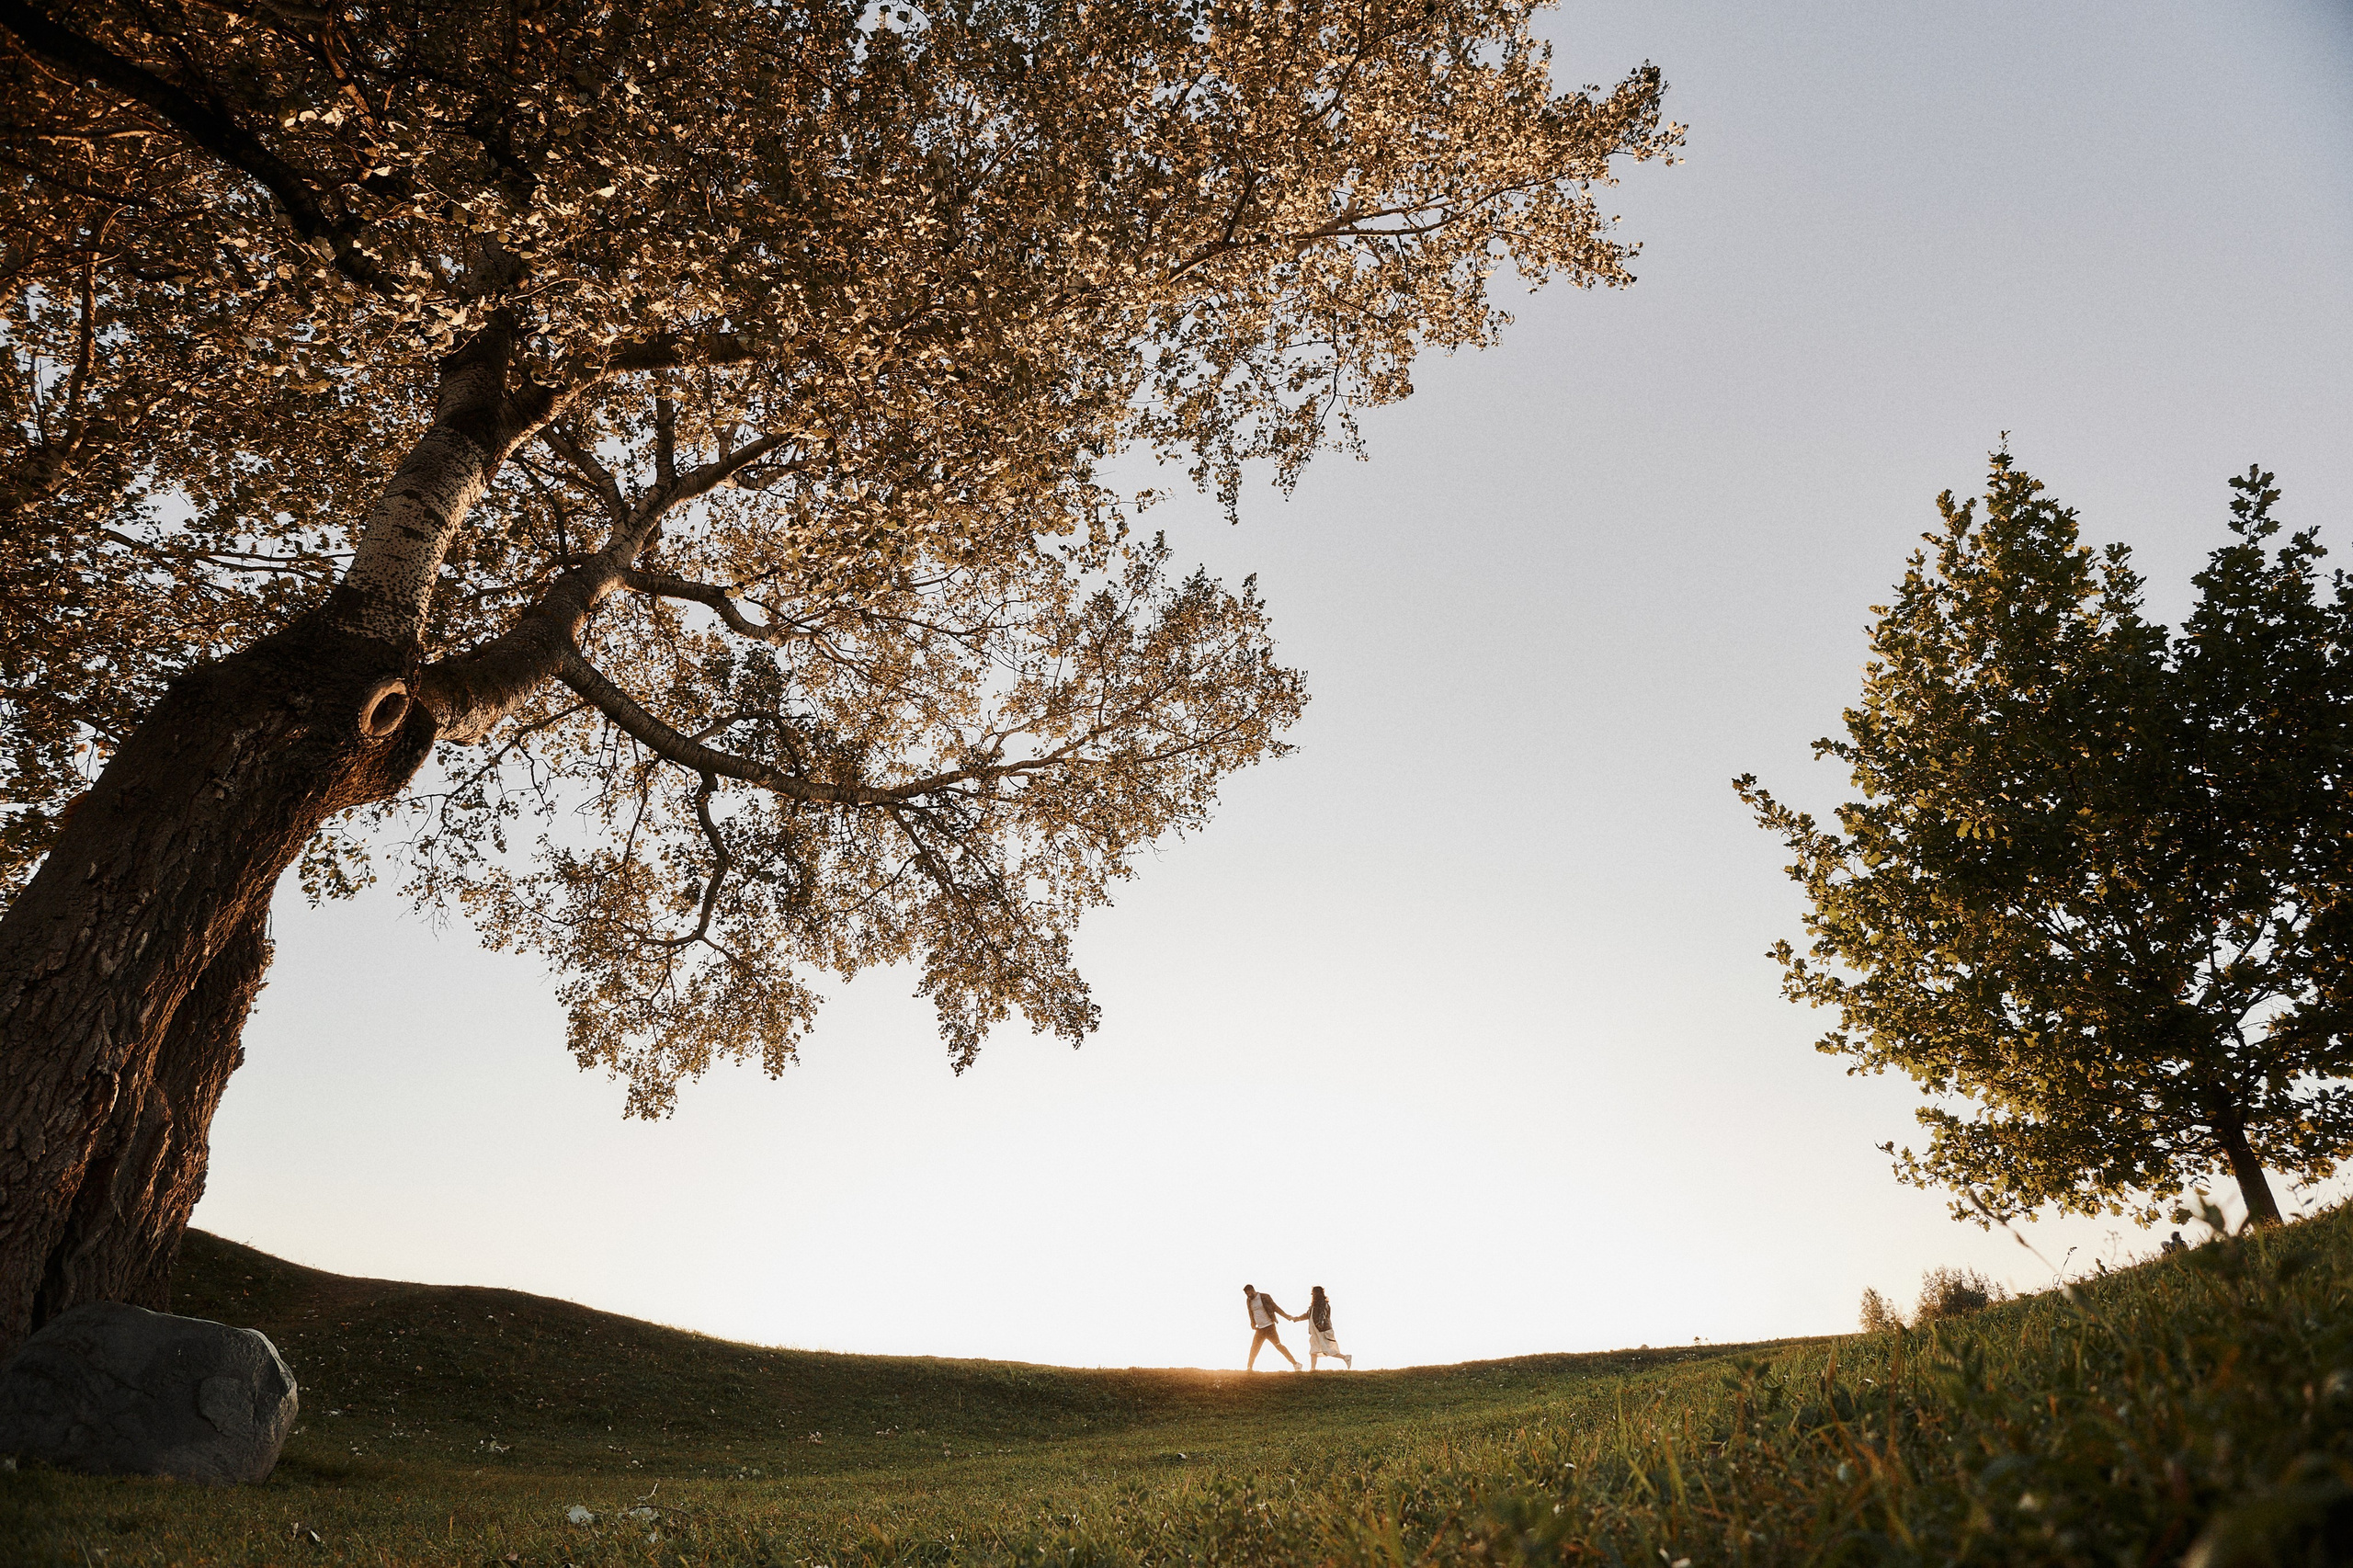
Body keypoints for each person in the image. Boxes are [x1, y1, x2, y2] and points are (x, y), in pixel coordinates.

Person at [1242, 1283, 1301, 1371]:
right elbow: (1250, 1312)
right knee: (1254, 1348)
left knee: (1278, 1346)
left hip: (1269, 1327)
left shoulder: (1265, 1297)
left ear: (1252, 1290)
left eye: (1249, 1293)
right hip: (1260, 1329)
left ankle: (1296, 1364)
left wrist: (1287, 1316)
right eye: (1246, 1294)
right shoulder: (1249, 1300)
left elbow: (1275, 1308)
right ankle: (1249, 1368)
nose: (1248, 1296)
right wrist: (1252, 1323)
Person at [1305, 1285, 1352, 1371]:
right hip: (1315, 1331)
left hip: (1322, 1330)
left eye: (1314, 1294)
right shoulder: (1313, 1306)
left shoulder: (1323, 1303)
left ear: (1318, 1294)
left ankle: (1345, 1357)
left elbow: (1323, 1314)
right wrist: (1296, 1319)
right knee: (1313, 1349)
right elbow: (1308, 1315)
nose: (1313, 1296)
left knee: (1328, 1350)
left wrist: (1320, 1323)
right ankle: (1312, 1369)